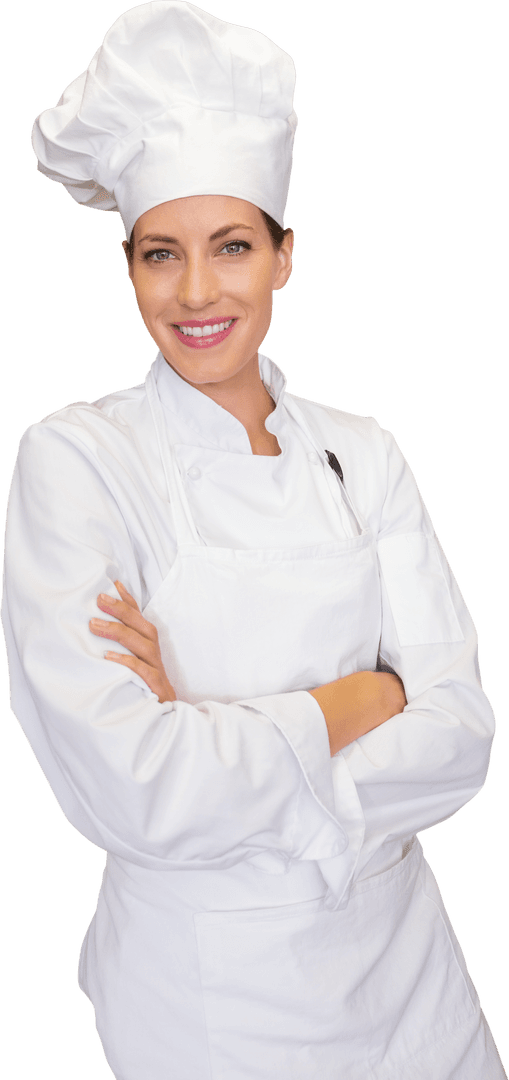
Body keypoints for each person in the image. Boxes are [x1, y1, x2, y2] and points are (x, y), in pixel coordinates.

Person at [1, 2, 505, 1078]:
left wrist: (210, 731)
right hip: (206, 1003)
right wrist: (360, 700)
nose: (194, 293)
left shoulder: (362, 452)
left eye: (231, 248)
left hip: (408, 983)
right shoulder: (77, 460)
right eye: (157, 255)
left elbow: (461, 734)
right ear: (127, 268)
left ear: (283, 257)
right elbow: (126, 790)